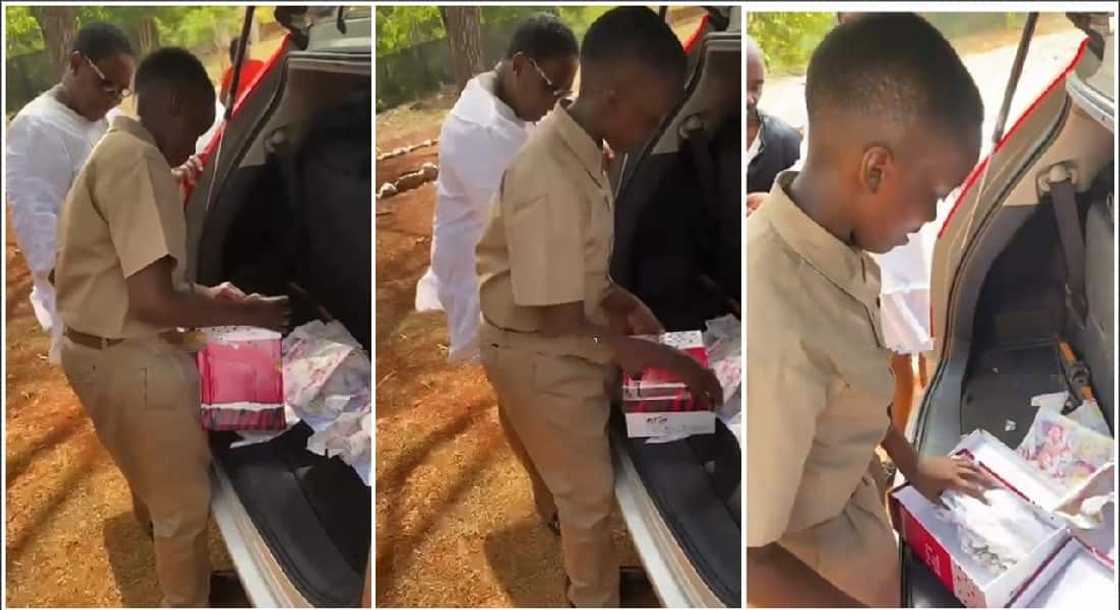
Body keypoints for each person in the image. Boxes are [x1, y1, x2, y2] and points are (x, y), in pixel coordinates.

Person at [475, 7, 723, 606]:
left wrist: (626, 302)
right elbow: (561, 324)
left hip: (561, 335)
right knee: (587, 501)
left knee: (581, 481)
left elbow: (586, 275)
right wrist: (667, 361)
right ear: (614, 96)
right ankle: (591, 597)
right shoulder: (549, 176)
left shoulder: (589, 149)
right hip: (539, 352)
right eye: (652, 116)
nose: (656, 127)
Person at [746, 14, 991, 607]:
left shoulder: (837, 245)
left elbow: (852, 392)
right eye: (933, 194)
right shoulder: (780, 324)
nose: (932, 218)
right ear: (875, 168)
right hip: (816, 576)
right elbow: (752, 558)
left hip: (860, 521)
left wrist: (911, 462)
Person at [54, 47, 289, 607]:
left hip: (91, 349)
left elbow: (140, 280)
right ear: (176, 103)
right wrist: (246, 314)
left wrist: (215, 298)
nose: (191, 149)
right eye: (197, 130)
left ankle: (172, 555)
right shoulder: (139, 163)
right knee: (183, 511)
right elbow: (156, 301)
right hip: (131, 364)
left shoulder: (113, 146)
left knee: (149, 476)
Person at [415, 13, 579, 363]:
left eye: (563, 93)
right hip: (488, 282)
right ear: (520, 66)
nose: (554, 102)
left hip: (508, 265)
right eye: (551, 88)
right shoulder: (482, 129)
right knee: (530, 375)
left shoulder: (505, 95)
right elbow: (527, 227)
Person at [5, 22, 135, 363]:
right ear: (76, 64)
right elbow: (45, 249)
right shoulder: (36, 129)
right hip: (91, 319)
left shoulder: (107, 117)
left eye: (121, 91)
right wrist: (106, 305)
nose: (113, 99)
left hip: (128, 296)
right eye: (107, 85)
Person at [745, 35, 800, 214]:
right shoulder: (701, 140)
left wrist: (774, 211)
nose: (750, 99)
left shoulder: (788, 143)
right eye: (742, 86)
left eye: (756, 87)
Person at [220, 37, 265, 106]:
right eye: (245, 47)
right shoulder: (230, 75)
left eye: (247, 46)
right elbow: (223, 98)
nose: (248, 49)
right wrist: (236, 105)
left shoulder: (259, 65)